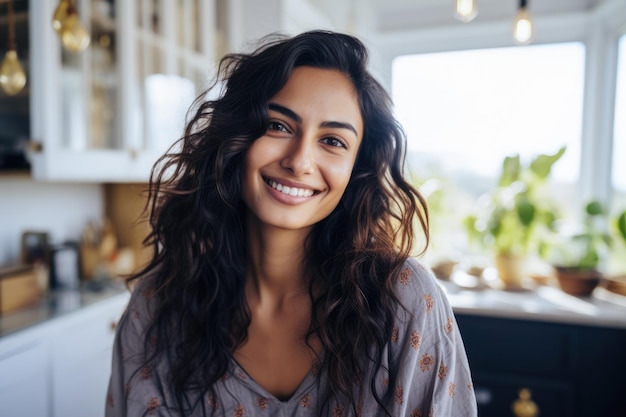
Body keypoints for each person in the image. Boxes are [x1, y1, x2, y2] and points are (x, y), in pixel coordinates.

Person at [105, 30, 477, 417]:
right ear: (237, 138)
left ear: (357, 169)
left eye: (332, 140)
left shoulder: (405, 300)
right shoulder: (156, 306)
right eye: (279, 126)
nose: (300, 161)